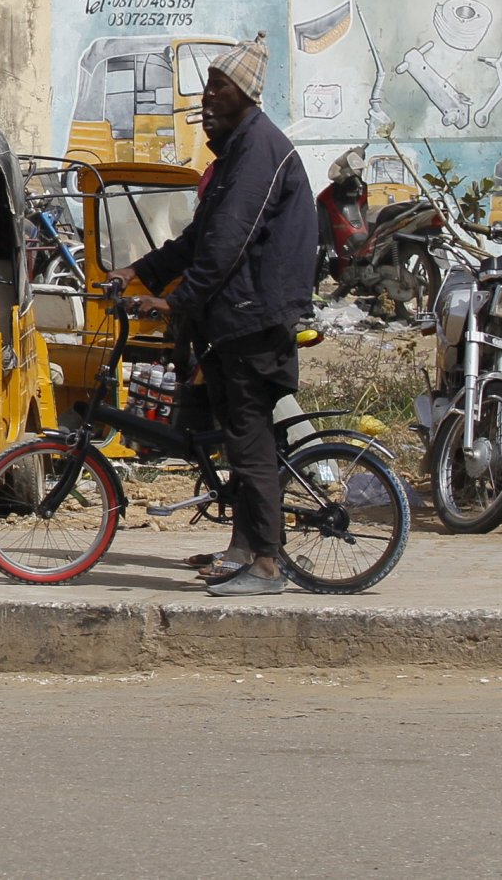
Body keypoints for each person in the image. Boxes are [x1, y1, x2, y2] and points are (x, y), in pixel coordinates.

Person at [124, 33, 315, 599]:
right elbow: (198, 238)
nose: (206, 98)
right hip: (235, 320)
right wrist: (139, 273)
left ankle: (265, 566)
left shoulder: (259, 150)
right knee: (236, 440)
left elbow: (227, 244)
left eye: (217, 86)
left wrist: (178, 301)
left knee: (251, 444)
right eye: (207, 85)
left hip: (253, 321)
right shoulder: (238, 150)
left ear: (246, 94)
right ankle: (241, 549)